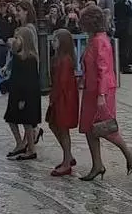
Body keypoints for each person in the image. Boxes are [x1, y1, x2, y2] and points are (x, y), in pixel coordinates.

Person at [78, 5, 132, 181]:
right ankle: (97, 165)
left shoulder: (99, 41)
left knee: (105, 128)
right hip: (91, 89)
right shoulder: (94, 38)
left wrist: (101, 95)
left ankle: (128, 152)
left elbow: (104, 69)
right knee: (89, 128)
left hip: (100, 91)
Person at [3, 26, 42, 161]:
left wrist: (23, 98)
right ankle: (20, 143)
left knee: (27, 122)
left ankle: (31, 148)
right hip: (16, 91)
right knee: (11, 118)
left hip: (25, 94)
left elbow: (28, 81)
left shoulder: (29, 58)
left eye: (17, 38)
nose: (15, 40)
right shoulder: (17, 56)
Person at [47, 29, 79, 176]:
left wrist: (53, 98)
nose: (53, 42)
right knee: (54, 125)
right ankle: (68, 156)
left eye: (55, 40)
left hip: (63, 98)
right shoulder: (59, 58)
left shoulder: (64, 60)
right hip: (61, 96)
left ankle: (67, 162)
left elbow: (62, 83)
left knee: (62, 128)